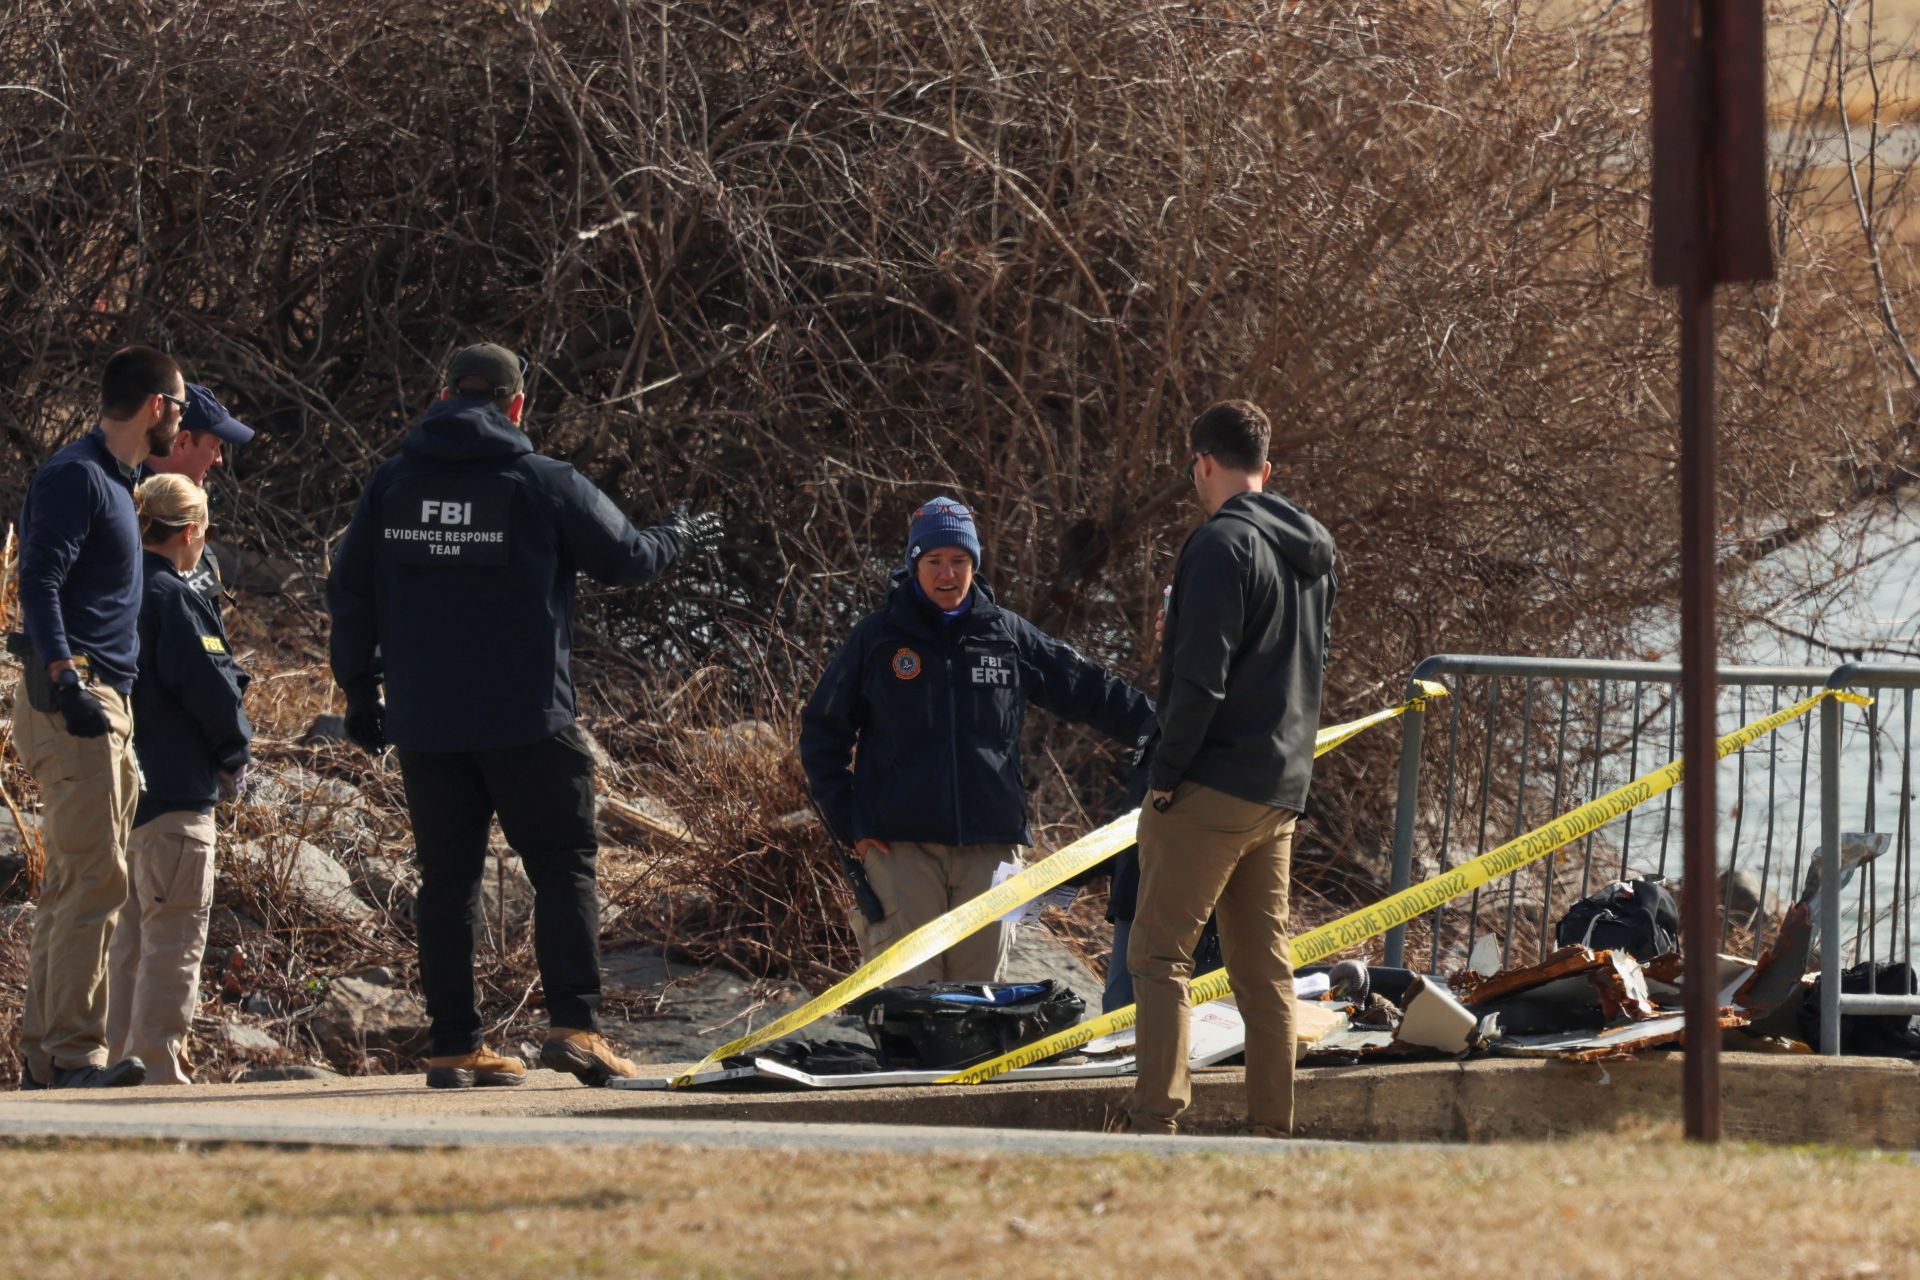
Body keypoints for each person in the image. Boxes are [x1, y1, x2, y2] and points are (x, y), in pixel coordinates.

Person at [327, 343, 723, 1089]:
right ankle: (575, 1027)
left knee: (447, 881)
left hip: (427, 726)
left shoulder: (392, 485)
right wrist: (680, 536)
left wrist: (358, 691)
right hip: (529, 722)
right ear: (515, 405)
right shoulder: (541, 481)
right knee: (563, 867)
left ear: (443, 394)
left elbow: (350, 594)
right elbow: (629, 557)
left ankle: (453, 1043)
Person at [799, 497, 1156, 986]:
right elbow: (822, 735)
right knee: (911, 995)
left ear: (975, 564)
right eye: (935, 562)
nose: (948, 574)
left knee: (979, 1000)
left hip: (992, 850)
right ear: (914, 564)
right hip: (900, 851)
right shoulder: (877, 638)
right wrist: (852, 824)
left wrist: (1163, 729)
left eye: (960, 561)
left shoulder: (1007, 635)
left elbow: (1090, 689)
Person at [1122, 400, 1336, 1138]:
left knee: (1156, 954)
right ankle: (1271, 1127)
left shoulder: (1218, 546)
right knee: (1262, 965)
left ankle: (1155, 1117)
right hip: (1279, 786)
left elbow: (1201, 681)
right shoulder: (1312, 551)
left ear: (1203, 463)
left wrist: (1163, 772)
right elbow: (1288, 663)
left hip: (1210, 783)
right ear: (1266, 471)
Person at [10, 345, 187, 1089]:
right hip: (76, 693)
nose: (181, 418)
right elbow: (38, 581)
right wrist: (61, 678)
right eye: (178, 405)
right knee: (99, 880)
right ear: (154, 405)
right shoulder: (76, 476)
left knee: (78, 879)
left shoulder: (121, 483)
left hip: (101, 694)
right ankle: (75, 1052)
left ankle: (48, 1053)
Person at [105, 474, 252, 1084]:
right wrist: (234, 752)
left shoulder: (113, 588)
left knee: (129, 944)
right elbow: (211, 688)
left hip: (125, 794)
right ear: (190, 531)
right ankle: (159, 1070)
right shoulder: (175, 597)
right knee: (173, 941)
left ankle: (117, 1066)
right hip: (177, 795)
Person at [141, 384, 256, 606]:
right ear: (182, 442)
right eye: (214, 446)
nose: (219, 460)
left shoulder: (182, 509)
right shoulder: (129, 512)